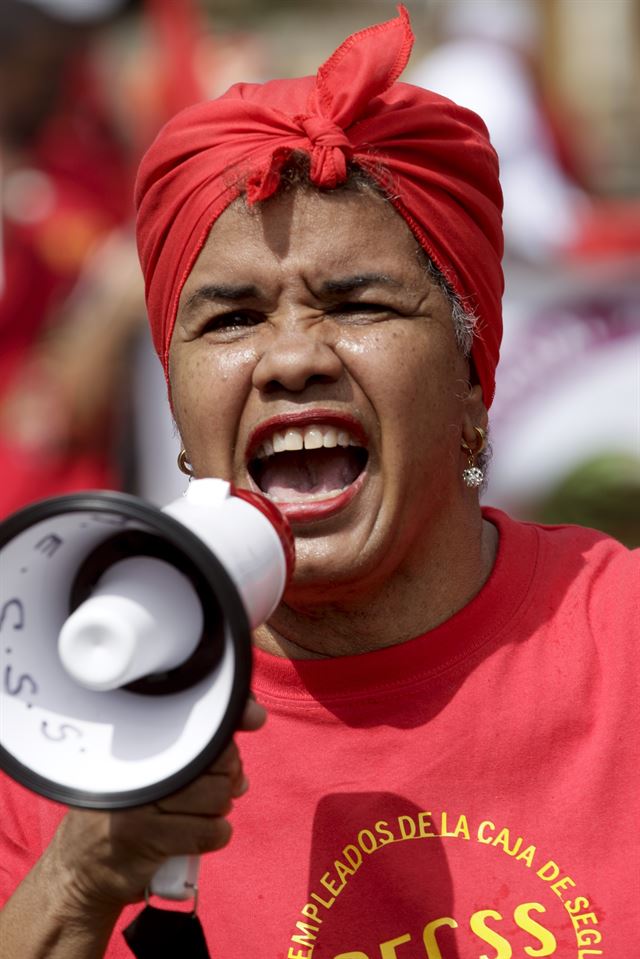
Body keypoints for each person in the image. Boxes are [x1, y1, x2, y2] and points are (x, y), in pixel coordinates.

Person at [0, 8, 637, 958]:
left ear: (473, 377)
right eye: (230, 321)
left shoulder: (621, 645)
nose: (291, 359)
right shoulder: (58, 723)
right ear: (175, 405)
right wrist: (81, 880)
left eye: (358, 303)